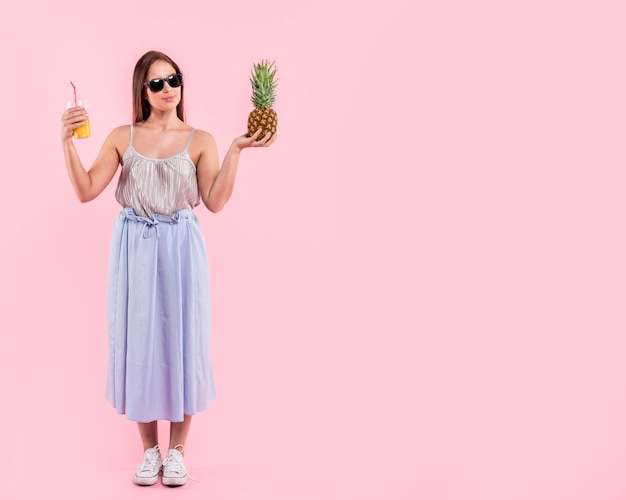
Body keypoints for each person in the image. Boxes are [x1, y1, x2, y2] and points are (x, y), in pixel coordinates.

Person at [60, 50, 276, 487]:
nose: (168, 88)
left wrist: (236, 148)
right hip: (135, 248)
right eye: (156, 83)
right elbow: (85, 190)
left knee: (184, 340)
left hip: (180, 247)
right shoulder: (124, 136)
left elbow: (214, 201)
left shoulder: (201, 140)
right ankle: (149, 451)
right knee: (138, 343)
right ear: (143, 90)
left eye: (173, 78)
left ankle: (177, 451)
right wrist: (65, 141)